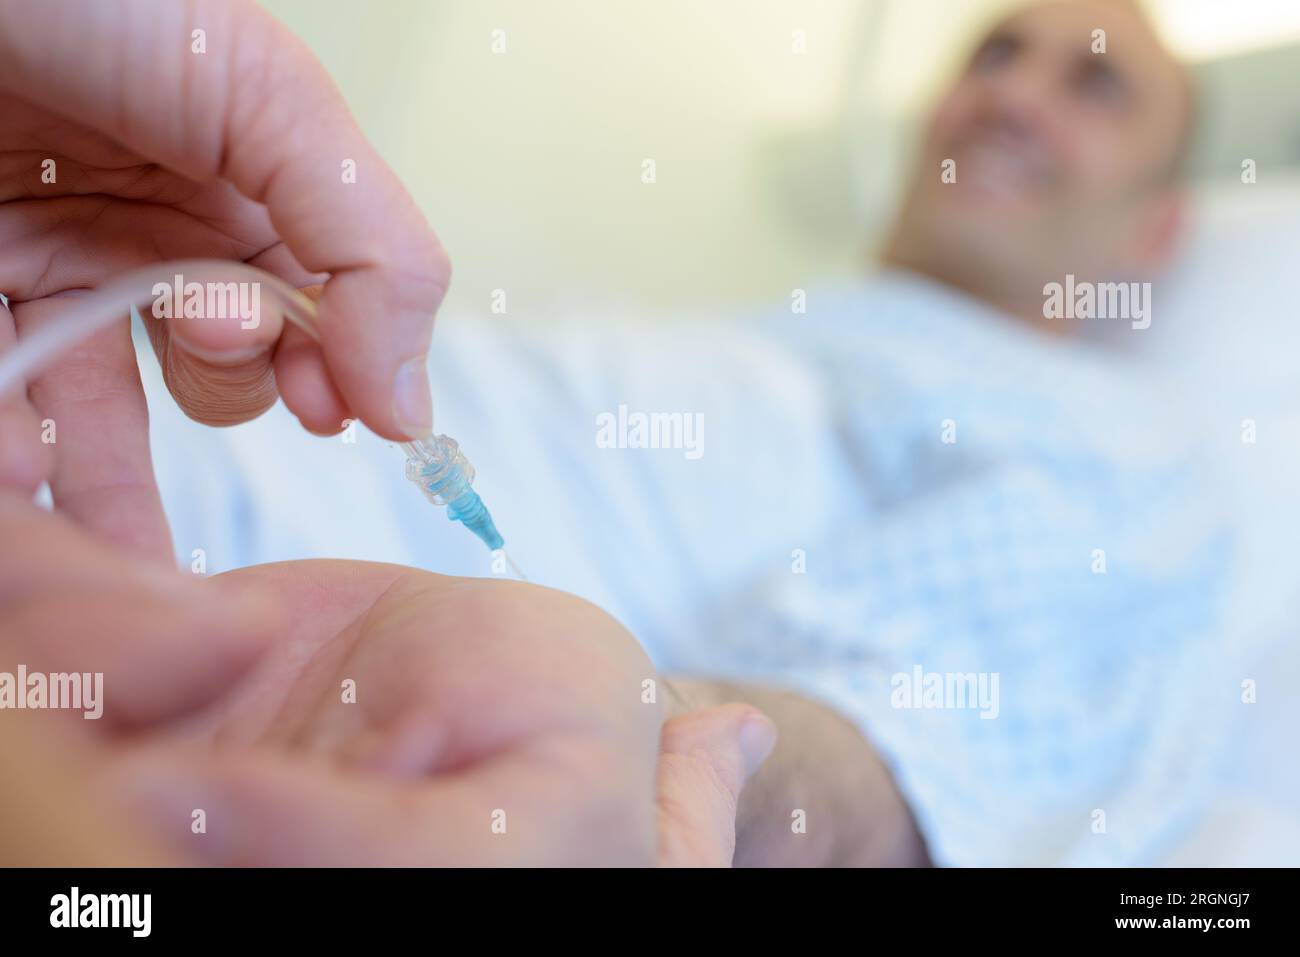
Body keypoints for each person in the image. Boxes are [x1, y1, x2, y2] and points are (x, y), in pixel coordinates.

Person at [1, 0, 1231, 866]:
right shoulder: (752, 339)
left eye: (1094, 84)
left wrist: (597, 757)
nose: (1012, 93)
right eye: (996, 50)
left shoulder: (1112, 443)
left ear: (1152, 235)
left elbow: (909, 746)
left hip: (193, 639)